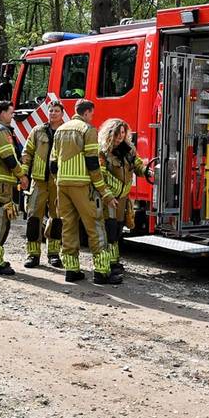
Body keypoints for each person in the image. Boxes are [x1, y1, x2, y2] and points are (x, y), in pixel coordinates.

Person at [52, 99, 120, 284]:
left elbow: (52, 164)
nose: (93, 117)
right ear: (87, 112)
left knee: (69, 227)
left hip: (62, 185)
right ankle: (102, 272)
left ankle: (72, 270)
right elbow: (92, 164)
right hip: (83, 186)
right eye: (92, 113)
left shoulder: (60, 130)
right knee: (95, 226)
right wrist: (105, 193)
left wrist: (60, 181)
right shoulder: (88, 130)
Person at [98, 117, 150, 275]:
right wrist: (107, 194)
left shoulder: (129, 150)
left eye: (123, 132)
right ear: (110, 133)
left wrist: (148, 172)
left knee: (118, 229)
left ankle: (114, 261)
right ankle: (107, 264)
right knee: (109, 230)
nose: (120, 136)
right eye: (117, 133)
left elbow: (138, 165)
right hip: (108, 199)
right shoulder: (103, 152)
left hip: (122, 199)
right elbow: (100, 175)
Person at [0, 101, 28, 275]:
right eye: (11, 112)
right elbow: (8, 156)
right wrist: (21, 175)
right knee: (1, 220)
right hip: (1, 182)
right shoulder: (1, 131)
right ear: (2, 113)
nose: (13, 115)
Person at [20, 100, 64, 268]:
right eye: (51, 110)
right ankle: (33, 254)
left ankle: (53, 253)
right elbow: (27, 153)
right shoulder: (38, 131)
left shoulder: (66, 132)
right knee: (33, 217)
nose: (53, 113)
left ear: (62, 114)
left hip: (58, 182)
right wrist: (24, 174)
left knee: (57, 218)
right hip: (38, 180)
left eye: (56, 111)